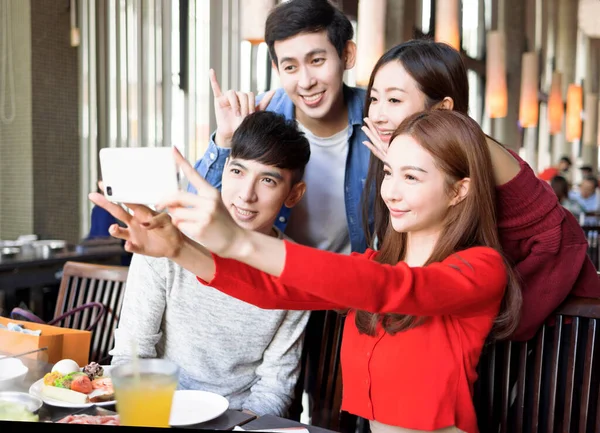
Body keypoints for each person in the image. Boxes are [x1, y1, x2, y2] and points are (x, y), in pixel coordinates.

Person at [91, 110, 522, 433]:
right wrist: (178, 249)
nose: (391, 190)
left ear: (459, 190)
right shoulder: (373, 265)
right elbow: (272, 290)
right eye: (389, 172)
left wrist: (238, 241)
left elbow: (392, 289)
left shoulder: (481, 268)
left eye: (412, 176)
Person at [357, 40, 600, 341]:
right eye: (374, 99)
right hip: (490, 296)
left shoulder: (472, 148)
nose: (378, 114)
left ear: (444, 108)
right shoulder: (408, 152)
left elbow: (554, 242)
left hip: (560, 301)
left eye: (394, 101)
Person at [99, 112, 312, 417]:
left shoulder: (294, 267)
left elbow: (274, 387)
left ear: (293, 194)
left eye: (267, 180)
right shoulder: (165, 242)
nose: (246, 195)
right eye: (238, 171)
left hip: (239, 419)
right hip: (160, 410)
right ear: (225, 170)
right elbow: (131, 356)